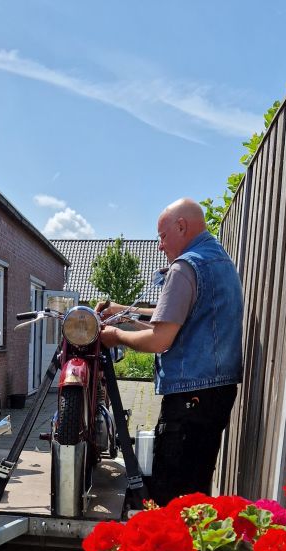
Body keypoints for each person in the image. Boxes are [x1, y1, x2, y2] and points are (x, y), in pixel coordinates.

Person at [99, 198, 244, 505]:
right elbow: (177, 321)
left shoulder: (185, 267)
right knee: (195, 487)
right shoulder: (218, 260)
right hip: (215, 394)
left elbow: (160, 339)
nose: (160, 246)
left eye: (163, 236)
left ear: (182, 226)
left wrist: (114, 335)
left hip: (191, 398)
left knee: (170, 494)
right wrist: (124, 313)